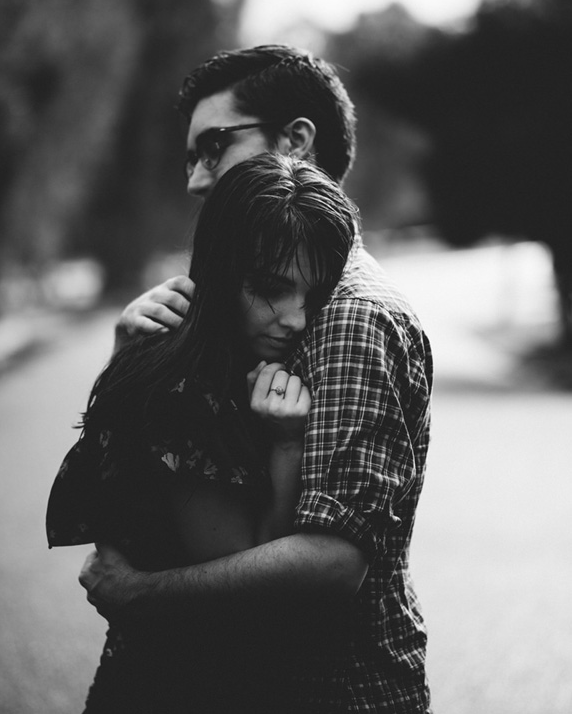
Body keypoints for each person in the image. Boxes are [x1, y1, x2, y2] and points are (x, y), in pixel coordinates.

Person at [79, 45, 434, 713]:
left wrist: (141, 594)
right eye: (189, 157)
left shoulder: (347, 315)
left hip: (323, 691)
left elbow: (330, 561)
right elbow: (124, 484)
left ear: (296, 143)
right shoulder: (216, 310)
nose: (196, 179)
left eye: (214, 147)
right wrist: (129, 364)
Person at [47, 153, 360, 712]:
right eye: (271, 287)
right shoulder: (185, 392)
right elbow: (253, 591)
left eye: (313, 296)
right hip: (178, 689)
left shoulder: (218, 363)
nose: (295, 319)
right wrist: (287, 443)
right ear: (220, 268)